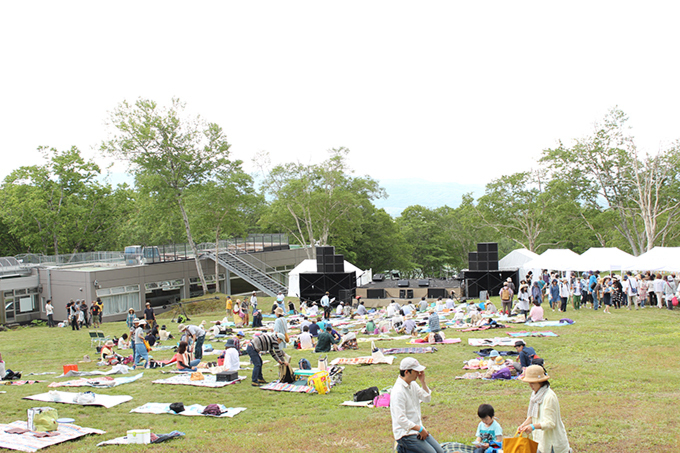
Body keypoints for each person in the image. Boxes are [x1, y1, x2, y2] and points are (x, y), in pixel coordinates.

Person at [390, 357, 443, 453]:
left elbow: (426, 398)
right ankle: (402, 448)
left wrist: (423, 381)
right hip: (405, 434)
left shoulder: (413, 384)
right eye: (416, 371)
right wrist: (420, 429)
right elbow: (401, 419)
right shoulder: (398, 392)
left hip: (417, 430)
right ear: (407, 372)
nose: (418, 374)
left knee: (440, 451)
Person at [517, 365, 571, 453]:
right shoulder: (535, 395)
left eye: (533, 383)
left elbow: (550, 423)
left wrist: (533, 426)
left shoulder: (549, 397)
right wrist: (523, 425)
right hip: (540, 441)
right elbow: (532, 416)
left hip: (552, 443)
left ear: (541, 382)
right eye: (529, 383)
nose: (530, 386)